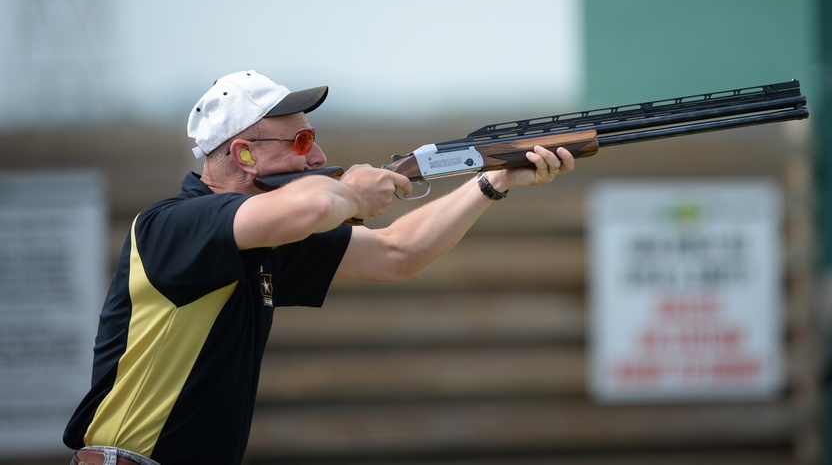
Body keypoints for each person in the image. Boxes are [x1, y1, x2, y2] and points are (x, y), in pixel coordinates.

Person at [63, 69, 574, 465]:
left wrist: (494, 183)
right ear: (243, 154)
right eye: (301, 143)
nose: (319, 155)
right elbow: (311, 207)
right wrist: (351, 190)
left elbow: (399, 253)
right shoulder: (173, 226)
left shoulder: (266, 241)